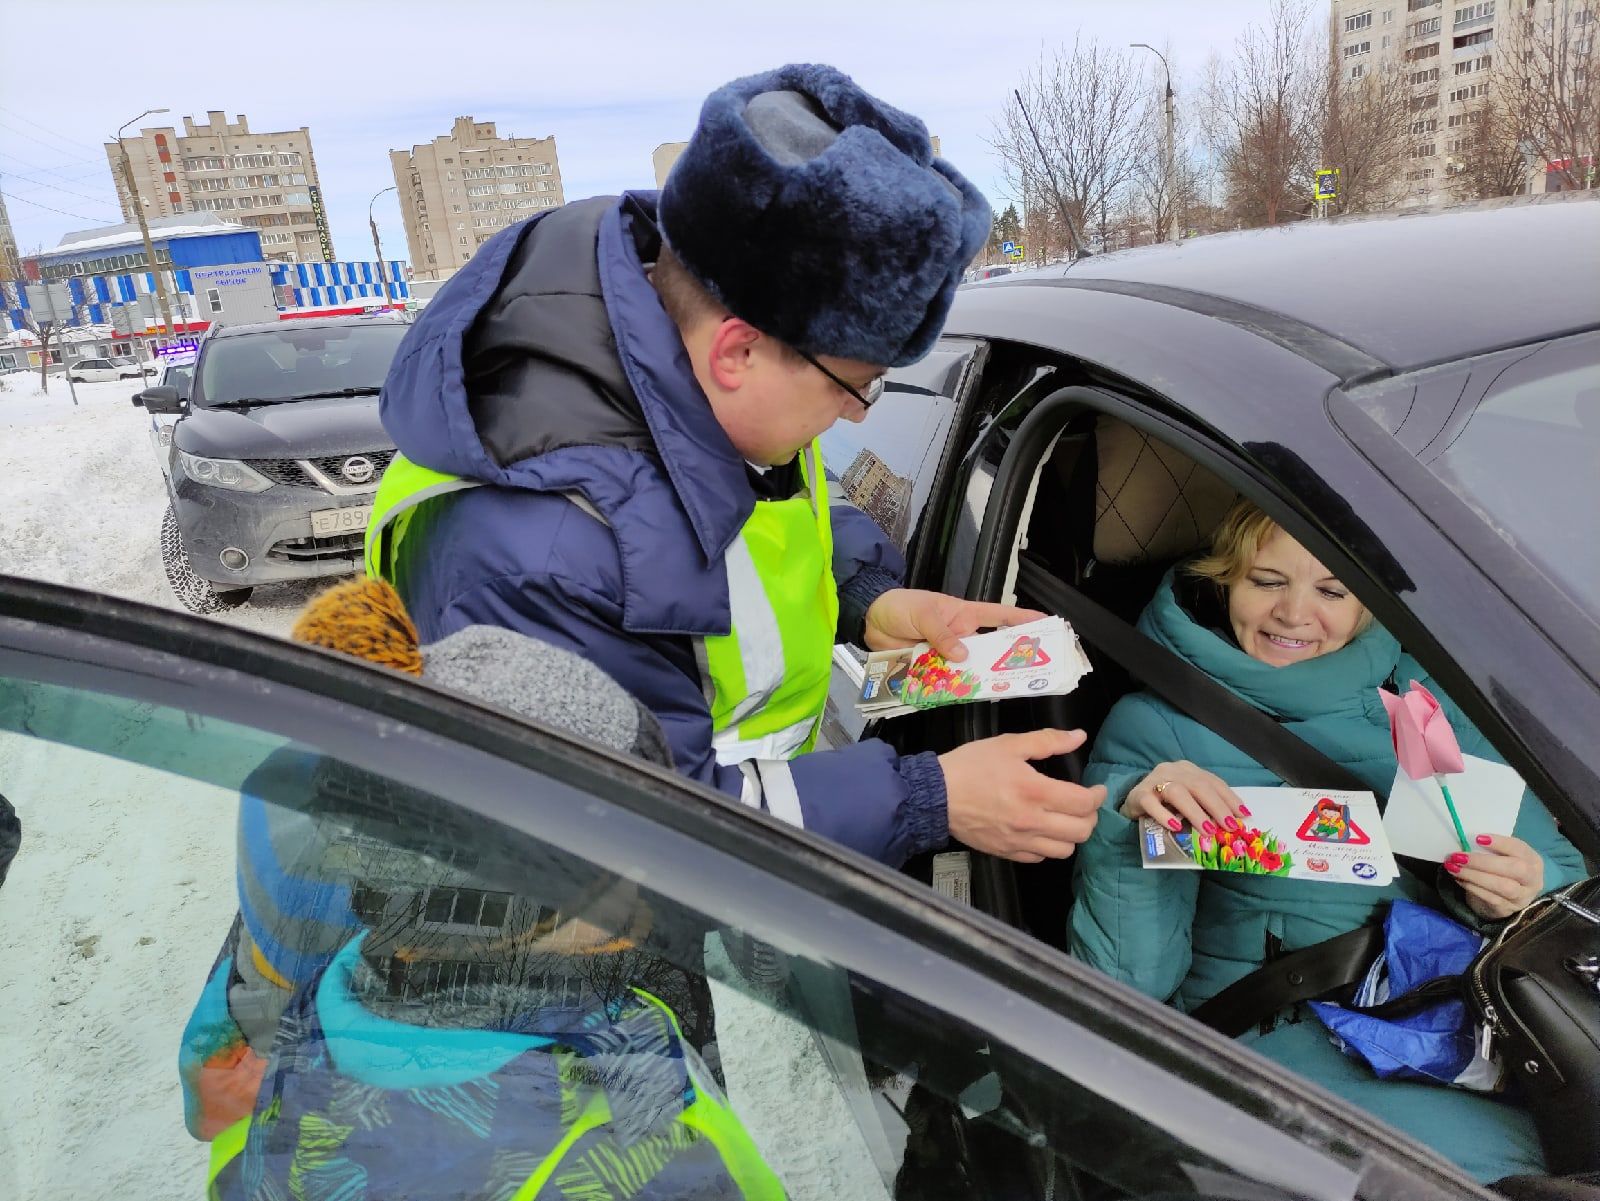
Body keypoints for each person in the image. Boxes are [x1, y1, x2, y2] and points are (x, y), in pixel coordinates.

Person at [362, 63, 1103, 871]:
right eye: (856, 385)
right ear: (738, 350)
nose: (858, 412)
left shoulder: (684, 383)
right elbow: (644, 824)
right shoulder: (542, 551)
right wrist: (932, 798)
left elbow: (756, 519)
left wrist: (868, 598)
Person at [183, 578, 784, 1197]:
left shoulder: (316, 1025)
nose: (645, 896)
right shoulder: (641, 1164)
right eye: (617, 872)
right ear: (487, 915)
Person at [1068, 500, 1586, 1183]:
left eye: (1333, 590)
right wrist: (1133, 829)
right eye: (1266, 580)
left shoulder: (1422, 690)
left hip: (1475, 1013)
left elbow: (1561, 877)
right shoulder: (1158, 727)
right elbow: (1124, 991)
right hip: (1285, 1037)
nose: (1294, 613)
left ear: (1370, 604)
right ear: (1225, 579)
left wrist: (1524, 885)